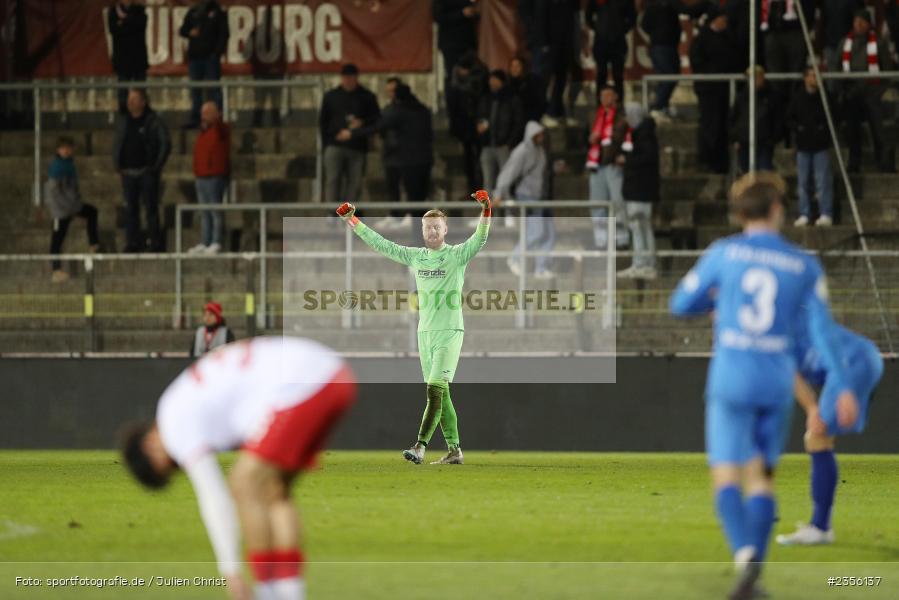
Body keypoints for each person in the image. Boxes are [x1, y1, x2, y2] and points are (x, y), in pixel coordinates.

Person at [670, 172, 849, 600]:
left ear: (738, 214)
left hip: (732, 378)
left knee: (727, 476)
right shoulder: (804, 264)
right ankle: (756, 571)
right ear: (777, 210)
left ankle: (746, 555)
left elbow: (680, 304)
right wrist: (840, 384)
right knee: (763, 479)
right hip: (775, 381)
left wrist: (719, 300)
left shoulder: (723, 253)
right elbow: (822, 330)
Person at [122, 337, 357, 600]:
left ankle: (268, 592)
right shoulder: (181, 398)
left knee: (245, 483)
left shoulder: (172, 423)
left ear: (151, 445)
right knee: (275, 492)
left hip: (302, 384)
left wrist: (230, 570)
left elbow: (214, 497)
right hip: (331, 372)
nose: (179, 465)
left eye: (171, 465)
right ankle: (289, 593)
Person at [335, 191, 491, 465]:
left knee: (435, 389)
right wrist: (353, 220)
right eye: (426, 226)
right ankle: (455, 451)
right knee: (441, 394)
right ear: (422, 230)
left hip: (449, 332)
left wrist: (486, 209)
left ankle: (420, 446)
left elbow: (480, 238)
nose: (431, 230)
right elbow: (382, 244)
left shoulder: (456, 256)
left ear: (445, 229)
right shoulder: (416, 257)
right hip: (424, 334)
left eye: (436, 226)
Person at [776, 321, 882, 546]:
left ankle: (821, 527)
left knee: (817, 437)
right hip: (866, 357)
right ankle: (820, 525)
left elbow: (791, 376)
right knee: (820, 437)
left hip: (851, 363)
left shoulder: (767, 331)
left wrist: (812, 409)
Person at [338, 79, 434, 229]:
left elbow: (378, 125)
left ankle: (415, 231)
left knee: (413, 195)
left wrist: (352, 133)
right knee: (419, 196)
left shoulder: (399, 111)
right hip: (424, 158)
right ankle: (418, 231)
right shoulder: (422, 110)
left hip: (407, 159)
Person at [495, 121, 555, 279]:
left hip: (542, 196)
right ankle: (515, 257)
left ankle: (541, 268)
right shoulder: (522, 151)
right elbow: (509, 172)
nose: (542, 137)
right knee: (536, 231)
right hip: (527, 196)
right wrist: (499, 192)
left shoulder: (540, 150)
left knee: (549, 233)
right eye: (539, 134)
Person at [113, 88, 170, 252]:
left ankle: (154, 242)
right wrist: (118, 164)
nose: (130, 103)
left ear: (143, 102)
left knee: (151, 208)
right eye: (129, 99)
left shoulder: (153, 121)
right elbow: (117, 143)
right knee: (131, 210)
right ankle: (133, 243)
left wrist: (155, 166)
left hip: (147, 172)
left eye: (135, 99)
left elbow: (165, 143)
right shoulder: (123, 121)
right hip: (128, 173)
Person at [319, 63, 381, 207]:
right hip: (335, 144)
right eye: (345, 77)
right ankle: (332, 213)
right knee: (333, 179)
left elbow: (377, 119)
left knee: (355, 182)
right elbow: (323, 122)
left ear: (356, 78)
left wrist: (362, 123)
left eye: (351, 77)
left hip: (357, 146)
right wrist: (329, 141)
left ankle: (347, 215)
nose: (348, 80)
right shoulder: (331, 96)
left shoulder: (367, 97)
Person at [842, 10, 896, 173]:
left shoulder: (878, 44)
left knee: (879, 130)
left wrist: (880, 91)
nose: (858, 25)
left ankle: (884, 162)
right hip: (853, 93)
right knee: (852, 130)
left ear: (868, 24)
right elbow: (837, 66)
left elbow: (887, 71)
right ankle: (854, 161)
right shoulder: (845, 43)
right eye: (856, 21)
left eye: (862, 21)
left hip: (873, 93)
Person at [689, 9, 740, 174]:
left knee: (723, 125)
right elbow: (696, 61)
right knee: (709, 125)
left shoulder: (728, 37)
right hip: (708, 90)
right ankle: (707, 160)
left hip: (724, 90)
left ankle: (721, 162)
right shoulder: (702, 38)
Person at [44, 137, 99, 283]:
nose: (66, 150)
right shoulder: (57, 167)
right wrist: (68, 208)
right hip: (61, 211)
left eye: (68, 147)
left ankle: (94, 244)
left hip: (72, 206)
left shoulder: (69, 165)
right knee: (57, 240)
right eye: (63, 148)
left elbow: (72, 189)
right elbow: (54, 193)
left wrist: (75, 205)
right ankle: (56, 270)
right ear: (58, 150)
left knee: (92, 212)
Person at [618, 103, 659, 280]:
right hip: (636, 189)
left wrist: (626, 160)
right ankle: (640, 263)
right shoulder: (638, 134)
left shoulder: (644, 136)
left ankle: (645, 264)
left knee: (640, 226)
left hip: (640, 190)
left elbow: (645, 159)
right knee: (638, 227)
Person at [788, 68, 833, 227]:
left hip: (820, 145)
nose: (815, 79)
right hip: (803, 146)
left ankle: (826, 212)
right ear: (805, 78)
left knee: (822, 181)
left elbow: (833, 117)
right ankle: (804, 213)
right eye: (812, 75)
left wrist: (823, 132)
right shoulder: (798, 98)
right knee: (803, 182)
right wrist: (799, 130)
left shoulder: (825, 97)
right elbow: (791, 118)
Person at [586, 86, 629, 249]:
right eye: (602, 95)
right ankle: (601, 238)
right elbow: (587, 140)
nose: (605, 99)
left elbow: (628, 137)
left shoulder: (622, 116)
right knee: (597, 203)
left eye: (609, 95)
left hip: (613, 165)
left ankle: (621, 237)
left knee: (618, 201)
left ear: (616, 97)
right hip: (596, 165)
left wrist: (623, 155)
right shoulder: (594, 116)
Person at [179, 1, 229, 129]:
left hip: (210, 58)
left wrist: (216, 53)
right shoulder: (193, 11)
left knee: (214, 89)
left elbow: (224, 34)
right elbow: (182, 30)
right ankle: (196, 118)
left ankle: (217, 119)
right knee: (195, 90)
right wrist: (190, 32)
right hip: (195, 58)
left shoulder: (218, 12)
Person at [760, 0, 815, 115]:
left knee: (797, 78)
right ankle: (778, 117)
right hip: (773, 31)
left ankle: (795, 114)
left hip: (796, 31)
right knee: (776, 81)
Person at [190, 101, 230, 254]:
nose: (203, 116)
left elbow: (221, 127)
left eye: (207, 112)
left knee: (215, 211)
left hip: (215, 177)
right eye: (202, 112)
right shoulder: (203, 132)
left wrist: (217, 119)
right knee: (204, 212)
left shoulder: (222, 129)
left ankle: (216, 241)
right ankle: (205, 241)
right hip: (201, 176)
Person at [477, 70, 525, 196]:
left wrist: (509, 143)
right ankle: (488, 212)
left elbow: (518, 123)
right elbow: (480, 117)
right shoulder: (486, 99)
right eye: (490, 80)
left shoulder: (512, 99)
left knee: (505, 180)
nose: (492, 82)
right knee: (487, 181)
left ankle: (507, 212)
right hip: (487, 145)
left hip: (503, 146)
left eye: (495, 79)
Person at [447, 52, 489, 192]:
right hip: (467, 127)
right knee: (471, 159)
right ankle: (475, 188)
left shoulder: (474, 83)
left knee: (477, 159)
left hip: (475, 126)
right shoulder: (463, 83)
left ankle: (478, 188)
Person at [730, 66, 782, 173]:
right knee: (746, 172)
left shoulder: (771, 96)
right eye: (750, 77)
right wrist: (735, 138)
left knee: (764, 171)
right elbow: (733, 119)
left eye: (756, 77)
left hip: (764, 142)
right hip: (744, 142)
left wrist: (773, 139)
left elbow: (778, 119)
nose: (753, 80)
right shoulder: (741, 97)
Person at [538, 0, 580, 127]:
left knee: (561, 79)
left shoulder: (569, 3)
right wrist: (544, 43)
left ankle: (557, 112)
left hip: (565, 45)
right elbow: (542, 20)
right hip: (550, 46)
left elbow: (574, 17)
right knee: (547, 80)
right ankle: (544, 112)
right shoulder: (548, 3)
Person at [585, 0, 636, 100]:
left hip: (618, 42)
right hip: (601, 41)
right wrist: (597, 28)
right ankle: (600, 105)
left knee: (618, 75)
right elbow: (588, 15)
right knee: (601, 74)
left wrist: (622, 29)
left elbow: (632, 17)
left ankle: (619, 104)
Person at [642, 0, 683, 122]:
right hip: (659, 46)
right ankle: (658, 107)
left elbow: (677, 24)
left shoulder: (672, 6)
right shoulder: (652, 7)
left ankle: (663, 105)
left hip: (672, 46)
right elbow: (645, 25)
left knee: (673, 76)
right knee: (667, 77)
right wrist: (657, 34)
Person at [107, 0, 148, 114]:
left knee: (140, 90)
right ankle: (124, 115)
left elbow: (139, 26)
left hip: (138, 58)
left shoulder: (140, 11)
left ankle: (142, 115)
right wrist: (129, 24)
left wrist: (123, 24)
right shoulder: (113, 12)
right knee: (123, 91)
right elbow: (113, 29)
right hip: (122, 59)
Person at [433, 0, 480, 89]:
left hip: (468, 43)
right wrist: (461, 14)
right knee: (453, 77)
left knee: (470, 76)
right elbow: (438, 17)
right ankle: (453, 101)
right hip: (451, 44)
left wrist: (474, 13)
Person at [508, 55, 547, 124]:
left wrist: (531, 120)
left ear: (523, 67)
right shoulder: (508, 84)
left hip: (530, 121)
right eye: (512, 66)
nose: (514, 69)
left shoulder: (533, 81)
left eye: (517, 66)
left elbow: (540, 103)